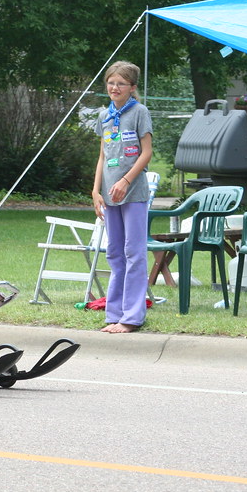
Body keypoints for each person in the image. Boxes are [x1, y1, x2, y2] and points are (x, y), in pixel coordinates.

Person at [91, 61, 153, 334]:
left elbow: (146, 152)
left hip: (133, 193)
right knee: (114, 252)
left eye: (121, 84)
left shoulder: (139, 112)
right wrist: (96, 190)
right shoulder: (105, 115)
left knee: (134, 252)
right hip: (109, 193)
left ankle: (131, 317)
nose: (115, 88)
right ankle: (113, 314)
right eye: (111, 83)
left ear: (132, 88)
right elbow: (103, 155)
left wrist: (126, 181)